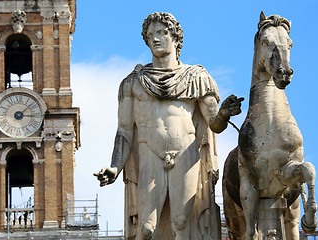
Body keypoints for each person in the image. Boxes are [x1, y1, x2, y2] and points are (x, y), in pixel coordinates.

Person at [94, 12, 243, 240]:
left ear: (175, 37)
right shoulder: (132, 83)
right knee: (145, 228)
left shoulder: (196, 77)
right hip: (149, 155)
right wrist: (115, 167)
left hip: (186, 154)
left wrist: (223, 113)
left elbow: (214, 124)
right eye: (150, 34)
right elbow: (124, 131)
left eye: (162, 33)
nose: (155, 38)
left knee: (182, 223)